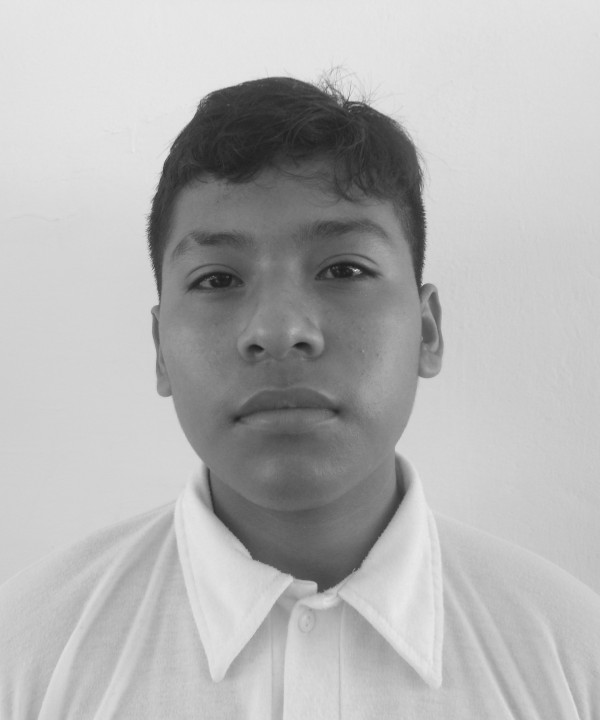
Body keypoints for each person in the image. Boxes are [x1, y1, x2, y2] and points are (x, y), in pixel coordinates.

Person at [1, 74, 599, 719]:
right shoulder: (30, 654)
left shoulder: (570, 655)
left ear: (426, 332)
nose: (279, 330)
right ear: (160, 349)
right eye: (217, 279)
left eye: (344, 269)